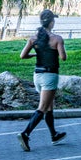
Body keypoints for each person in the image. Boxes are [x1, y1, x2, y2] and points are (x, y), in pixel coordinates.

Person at [17, 9, 67, 151]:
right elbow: (63, 57)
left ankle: (54, 135)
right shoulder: (57, 38)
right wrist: (58, 50)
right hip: (50, 76)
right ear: (51, 22)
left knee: (49, 106)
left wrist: (35, 54)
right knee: (43, 107)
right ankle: (25, 134)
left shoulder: (34, 38)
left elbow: (22, 55)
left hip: (37, 75)